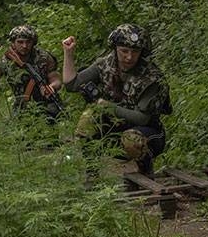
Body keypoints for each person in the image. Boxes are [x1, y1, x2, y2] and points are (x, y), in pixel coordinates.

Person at [61, 24, 171, 175]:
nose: (129, 57)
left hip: (148, 134)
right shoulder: (106, 64)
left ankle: (145, 170)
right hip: (113, 130)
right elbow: (71, 84)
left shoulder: (151, 77)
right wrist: (68, 53)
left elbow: (142, 118)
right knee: (88, 118)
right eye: (124, 51)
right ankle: (92, 173)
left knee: (132, 139)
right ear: (115, 49)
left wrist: (109, 107)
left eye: (135, 52)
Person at [0, 24, 63, 120]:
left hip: (47, 104)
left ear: (33, 43)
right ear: (13, 43)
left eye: (28, 42)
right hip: (22, 108)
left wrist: (51, 87)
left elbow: (56, 79)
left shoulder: (43, 57)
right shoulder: (6, 61)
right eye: (20, 42)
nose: (25, 46)